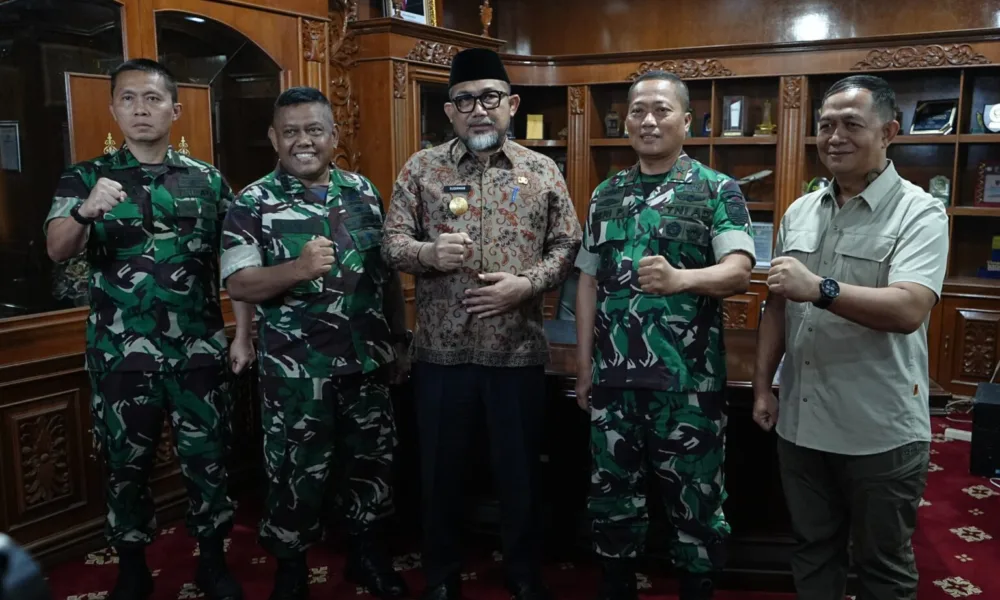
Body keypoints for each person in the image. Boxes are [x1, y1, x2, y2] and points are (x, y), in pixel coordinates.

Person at [43, 59, 253, 600]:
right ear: (114, 109)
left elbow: (237, 264)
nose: (141, 109)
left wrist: (241, 333)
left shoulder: (206, 180)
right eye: (129, 99)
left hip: (198, 351)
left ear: (174, 110)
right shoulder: (85, 177)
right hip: (120, 354)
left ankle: (212, 562)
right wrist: (85, 212)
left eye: (153, 99)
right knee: (124, 465)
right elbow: (57, 248)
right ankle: (132, 566)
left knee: (209, 460)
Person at [381, 48, 582, 600]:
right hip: (440, 355)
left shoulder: (541, 170)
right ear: (449, 111)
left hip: (516, 351)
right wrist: (427, 253)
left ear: (511, 105)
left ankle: (524, 575)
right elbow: (391, 242)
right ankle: (442, 577)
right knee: (440, 474)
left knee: (519, 474)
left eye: (489, 97)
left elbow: (567, 244)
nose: (478, 109)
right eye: (465, 100)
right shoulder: (422, 168)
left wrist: (528, 284)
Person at [752, 74, 949, 600]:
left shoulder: (920, 212)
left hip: (878, 429)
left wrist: (820, 288)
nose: (835, 137)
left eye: (851, 125)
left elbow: (909, 308)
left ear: (889, 132)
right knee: (812, 552)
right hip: (801, 422)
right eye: (825, 125)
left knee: (883, 567)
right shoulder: (800, 210)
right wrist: (763, 386)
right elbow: (777, 306)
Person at [221, 86, 410, 600]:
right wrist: (297, 270)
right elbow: (240, 284)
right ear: (273, 138)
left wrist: (399, 339)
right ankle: (291, 569)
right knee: (294, 474)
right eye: (291, 132)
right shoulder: (252, 202)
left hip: (367, 364)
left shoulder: (363, 192)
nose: (303, 141)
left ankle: (366, 558)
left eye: (314, 130)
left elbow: (386, 276)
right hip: (297, 373)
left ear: (333, 135)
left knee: (371, 466)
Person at [573, 70, 756, 600]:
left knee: (696, 504)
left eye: (661, 110)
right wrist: (585, 367)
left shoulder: (717, 189)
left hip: (689, 385)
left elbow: (740, 271)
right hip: (613, 382)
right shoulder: (606, 193)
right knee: (612, 500)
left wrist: (682, 280)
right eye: (638, 111)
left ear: (686, 121)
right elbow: (587, 281)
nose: (648, 121)